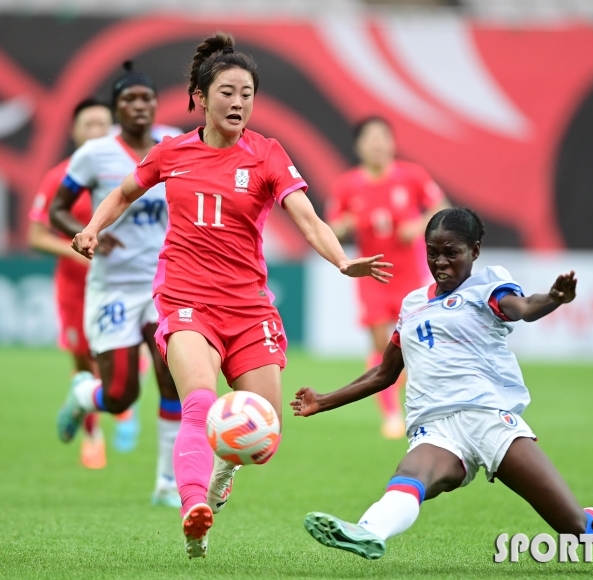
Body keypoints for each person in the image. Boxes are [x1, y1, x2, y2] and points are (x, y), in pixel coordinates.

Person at [69, 32, 392, 559]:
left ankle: (222, 472)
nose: (238, 101)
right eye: (227, 91)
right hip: (185, 302)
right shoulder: (171, 152)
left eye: (247, 93)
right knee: (197, 401)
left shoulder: (267, 154)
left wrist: (340, 259)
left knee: (266, 434)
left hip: (248, 309)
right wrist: (91, 229)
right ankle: (191, 505)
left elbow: (307, 218)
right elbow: (125, 191)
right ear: (199, 97)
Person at [292, 207, 593, 574]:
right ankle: (369, 531)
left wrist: (552, 299)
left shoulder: (489, 284)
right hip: (436, 427)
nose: (441, 262)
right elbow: (384, 373)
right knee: (412, 474)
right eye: (433, 252)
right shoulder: (413, 304)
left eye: (452, 252)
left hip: (489, 419)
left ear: (475, 250)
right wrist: (323, 401)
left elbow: (522, 307)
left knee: (573, 527)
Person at [50, 63, 182, 508]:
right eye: (129, 99)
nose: (139, 106)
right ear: (116, 109)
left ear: (154, 103)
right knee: (122, 392)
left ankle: (167, 481)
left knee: (172, 376)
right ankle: (84, 396)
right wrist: (89, 230)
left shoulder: (175, 143)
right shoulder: (95, 154)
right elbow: (57, 210)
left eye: (145, 98)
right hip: (113, 288)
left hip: (165, 285)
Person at [327, 117, 449, 438]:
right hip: (371, 275)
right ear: (359, 146)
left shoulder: (412, 176)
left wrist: (420, 225)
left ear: (392, 142)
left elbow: (442, 208)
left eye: (383, 137)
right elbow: (331, 227)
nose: (377, 144)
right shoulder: (347, 185)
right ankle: (391, 413)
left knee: (414, 343)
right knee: (382, 344)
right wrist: (348, 223)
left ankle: (421, 404)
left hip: (410, 276)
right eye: (370, 138)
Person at [28, 98, 114, 469]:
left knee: (121, 361)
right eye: (88, 124)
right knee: (84, 362)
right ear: (74, 131)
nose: (96, 131)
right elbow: (36, 235)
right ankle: (92, 434)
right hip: (76, 289)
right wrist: (75, 249)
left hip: (118, 285)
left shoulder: (124, 174)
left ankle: (124, 414)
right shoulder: (60, 177)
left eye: (103, 124)